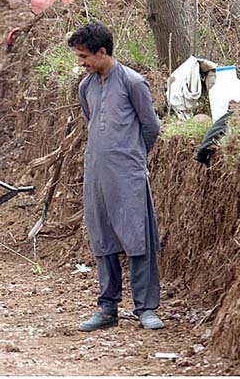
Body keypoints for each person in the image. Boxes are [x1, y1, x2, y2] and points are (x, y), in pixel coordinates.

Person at [69, 21, 164, 332]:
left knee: (138, 238)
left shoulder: (134, 83)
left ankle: (146, 308)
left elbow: (150, 127)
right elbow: (92, 122)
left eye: (84, 57)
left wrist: (131, 158)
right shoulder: (87, 87)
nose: (80, 63)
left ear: (102, 52)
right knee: (103, 239)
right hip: (96, 174)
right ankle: (107, 307)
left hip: (129, 174)